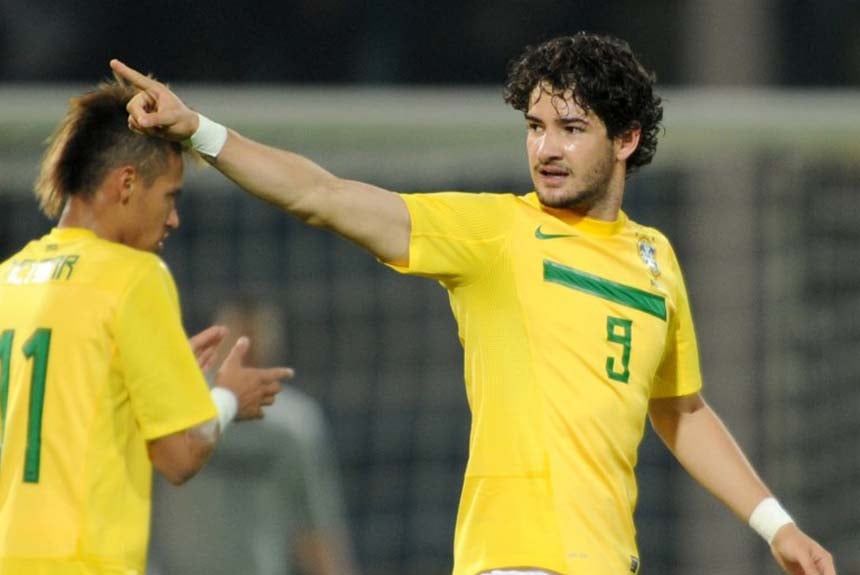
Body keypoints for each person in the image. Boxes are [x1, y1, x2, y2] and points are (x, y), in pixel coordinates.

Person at [111, 31, 836, 575]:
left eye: (571, 128)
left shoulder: (655, 261)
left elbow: (682, 409)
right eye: (535, 126)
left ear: (628, 140)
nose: (545, 148)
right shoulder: (496, 233)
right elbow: (323, 195)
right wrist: (198, 132)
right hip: (514, 558)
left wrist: (777, 525)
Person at [0, 78, 293, 575]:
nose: (174, 219)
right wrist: (223, 398)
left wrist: (163, 384)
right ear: (128, 183)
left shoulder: (7, 280)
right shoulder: (134, 277)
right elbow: (179, 456)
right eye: (170, 196)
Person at [148, 299, 359, 575]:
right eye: (238, 340)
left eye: (255, 339)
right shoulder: (180, 409)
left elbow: (315, 524)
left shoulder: (294, 425)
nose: (247, 349)